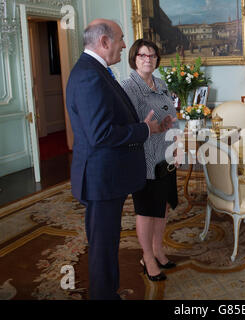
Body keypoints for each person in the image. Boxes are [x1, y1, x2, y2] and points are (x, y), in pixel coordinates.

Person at [66, 19, 175, 299]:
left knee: (108, 242)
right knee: (103, 247)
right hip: (100, 178)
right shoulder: (90, 75)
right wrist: (145, 129)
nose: (125, 44)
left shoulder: (98, 71)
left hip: (107, 176)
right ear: (104, 42)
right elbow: (100, 133)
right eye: (121, 39)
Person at [121, 39, 179, 282]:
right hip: (143, 158)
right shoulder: (127, 88)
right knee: (146, 210)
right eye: (143, 55)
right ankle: (147, 257)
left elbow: (170, 117)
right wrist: (149, 128)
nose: (148, 59)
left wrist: (172, 140)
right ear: (134, 58)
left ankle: (157, 250)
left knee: (162, 205)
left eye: (152, 55)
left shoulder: (161, 83)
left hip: (164, 154)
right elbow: (128, 126)